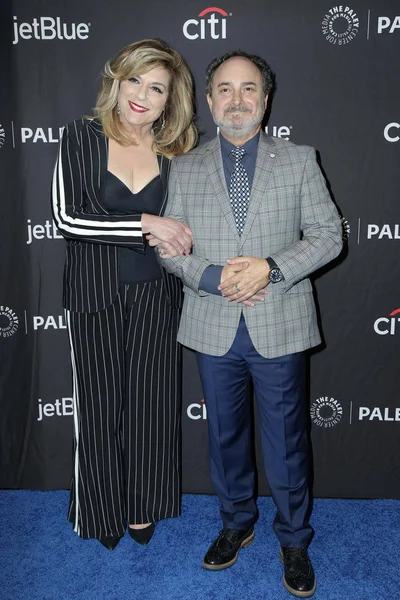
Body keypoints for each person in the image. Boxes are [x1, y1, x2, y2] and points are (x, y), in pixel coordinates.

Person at [151, 50, 342, 597]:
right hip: (213, 324)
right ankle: (236, 524)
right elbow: (168, 248)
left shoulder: (301, 159)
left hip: (279, 321)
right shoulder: (183, 168)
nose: (237, 99)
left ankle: (294, 540)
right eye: (225, 90)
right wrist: (214, 277)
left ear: (265, 99)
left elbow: (329, 236)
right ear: (209, 101)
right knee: (225, 437)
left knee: (285, 442)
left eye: (249, 88)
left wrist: (270, 269)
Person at [51, 39, 197, 550]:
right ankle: (99, 509)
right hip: (94, 295)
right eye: (134, 80)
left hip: (157, 296)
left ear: (169, 100)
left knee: (151, 408)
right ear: (116, 80)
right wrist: (144, 222)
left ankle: (142, 506)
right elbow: (68, 218)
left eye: (156, 87)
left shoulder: (176, 151)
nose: (142, 95)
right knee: (97, 406)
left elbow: (187, 230)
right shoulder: (80, 135)